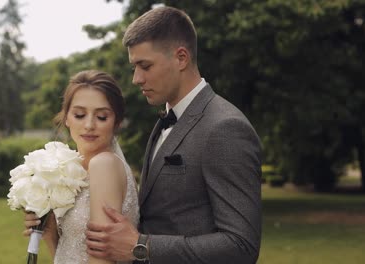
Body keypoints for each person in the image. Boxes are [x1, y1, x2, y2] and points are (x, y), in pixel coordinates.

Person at [85, 6, 262, 264]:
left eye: (145, 66)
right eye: (134, 67)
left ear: (181, 58)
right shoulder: (165, 120)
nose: (136, 78)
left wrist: (141, 246)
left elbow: (241, 246)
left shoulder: (225, 128)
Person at [23, 70, 140, 264]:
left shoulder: (105, 165)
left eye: (102, 117)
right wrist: (48, 229)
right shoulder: (72, 171)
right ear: (67, 117)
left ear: (116, 123)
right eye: (79, 114)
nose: (89, 125)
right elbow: (67, 254)